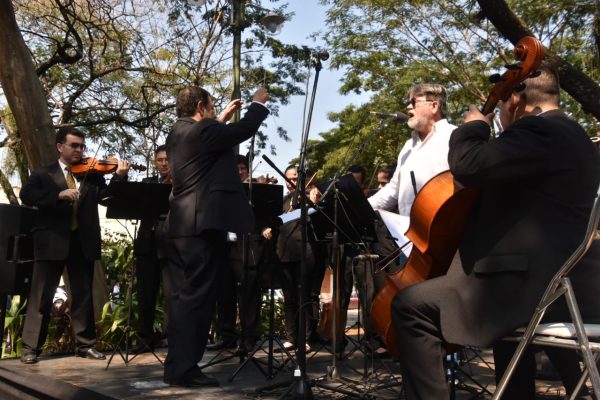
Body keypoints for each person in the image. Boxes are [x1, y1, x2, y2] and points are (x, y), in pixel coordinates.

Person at [391, 62, 600, 400]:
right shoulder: (576, 137)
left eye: (502, 102)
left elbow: (469, 165)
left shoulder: (538, 131)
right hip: (566, 286)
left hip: (526, 289)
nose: (500, 110)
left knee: (410, 305)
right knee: (505, 335)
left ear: (515, 99)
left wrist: (474, 127)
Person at [163, 86, 269, 387]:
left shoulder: (177, 133)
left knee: (183, 300)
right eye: (211, 107)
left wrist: (219, 118)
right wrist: (257, 104)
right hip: (201, 228)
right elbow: (243, 130)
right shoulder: (203, 130)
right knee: (196, 301)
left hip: (180, 226)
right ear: (200, 106)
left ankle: (177, 366)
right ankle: (185, 370)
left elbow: (206, 142)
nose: (213, 111)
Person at [19, 127, 130, 364]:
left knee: (83, 295)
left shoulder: (93, 174)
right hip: (51, 241)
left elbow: (107, 198)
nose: (80, 150)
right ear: (60, 147)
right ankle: (30, 348)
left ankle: (85, 345)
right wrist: (58, 196)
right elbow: (26, 195)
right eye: (74, 145)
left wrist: (119, 177)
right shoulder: (44, 174)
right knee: (42, 296)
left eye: (82, 146)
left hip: (82, 241)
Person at [368, 83, 455, 216]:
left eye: (414, 102)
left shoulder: (453, 136)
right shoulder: (408, 146)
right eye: (408, 102)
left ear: (434, 106)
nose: (408, 106)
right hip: (407, 228)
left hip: (444, 225)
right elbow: (393, 190)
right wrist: (362, 207)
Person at [208, 154, 264, 354]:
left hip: (246, 247)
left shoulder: (253, 192)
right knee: (224, 294)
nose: (239, 172)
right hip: (224, 247)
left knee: (248, 295)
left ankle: (249, 337)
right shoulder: (221, 191)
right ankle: (227, 336)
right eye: (235, 169)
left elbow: (262, 217)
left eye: (242, 169)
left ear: (247, 171)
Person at [131, 144, 172, 354]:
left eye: (167, 159)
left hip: (171, 245)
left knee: (172, 295)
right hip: (147, 245)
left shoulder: (181, 184)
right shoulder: (147, 184)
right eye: (160, 160)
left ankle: (171, 338)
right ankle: (145, 339)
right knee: (145, 294)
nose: (164, 164)